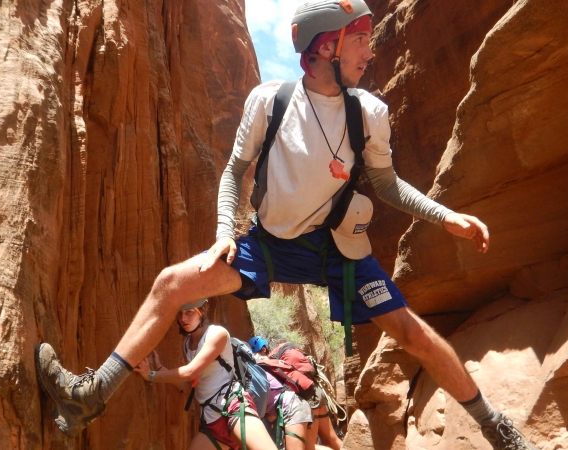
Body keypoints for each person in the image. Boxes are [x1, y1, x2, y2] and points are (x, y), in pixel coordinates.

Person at [36, 1, 537, 449]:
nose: (371, 51)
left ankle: (497, 428)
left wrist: (445, 215)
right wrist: (222, 236)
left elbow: (387, 185)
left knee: (413, 334)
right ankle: (90, 395)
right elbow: (234, 170)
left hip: (338, 249)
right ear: (327, 46)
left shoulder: (370, 113)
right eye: (360, 40)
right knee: (172, 283)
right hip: (269, 244)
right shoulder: (270, 101)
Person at [141, 299, 276, 449]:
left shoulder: (217, 334)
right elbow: (189, 385)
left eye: (189, 312)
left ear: (203, 310)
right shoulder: (187, 345)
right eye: (179, 314)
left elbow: (190, 371)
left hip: (233, 407)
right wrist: (159, 369)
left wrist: (151, 376)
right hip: (211, 418)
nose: (183, 319)